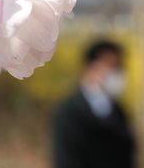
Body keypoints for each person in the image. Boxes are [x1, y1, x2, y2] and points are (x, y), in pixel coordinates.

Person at [52, 39, 136, 168]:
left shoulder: (119, 111)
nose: (117, 74)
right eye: (112, 67)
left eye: (120, 68)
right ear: (91, 67)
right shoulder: (69, 113)